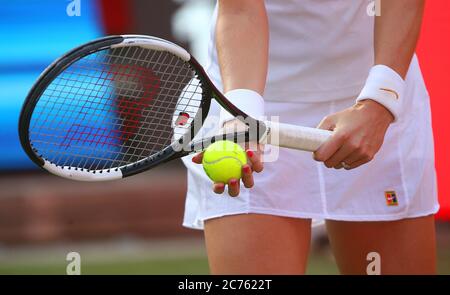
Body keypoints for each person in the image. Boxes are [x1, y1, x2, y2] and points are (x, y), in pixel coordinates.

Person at [182, 0, 439, 274]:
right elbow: (241, 10)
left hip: (380, 94)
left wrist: (380, 103)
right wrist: (242, 115)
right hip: (253, 98)